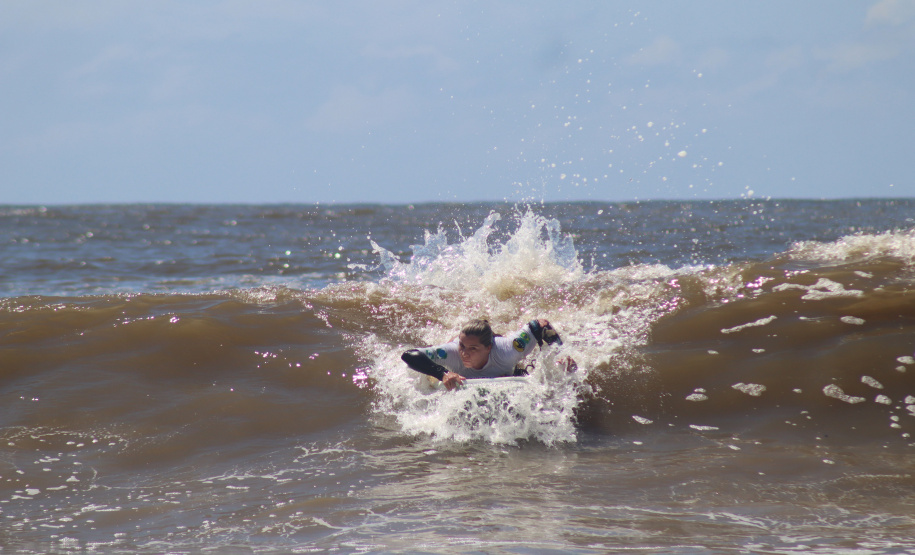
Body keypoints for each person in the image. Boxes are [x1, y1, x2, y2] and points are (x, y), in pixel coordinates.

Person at [401, 318, 566, 390]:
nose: (464, 354)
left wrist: (560, 355)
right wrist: (442, 373)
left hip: (502, 360)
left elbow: (540, 325)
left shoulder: (508, 350)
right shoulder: (452, 353)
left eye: (472, 349)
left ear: (488, 347)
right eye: (462, 346)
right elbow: (409, 355)